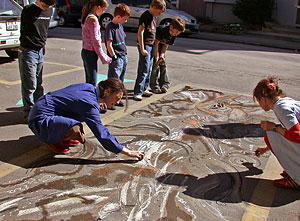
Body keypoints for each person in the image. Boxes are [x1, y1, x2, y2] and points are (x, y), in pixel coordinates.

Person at [28, 78, 145, 160]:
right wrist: (127, 152)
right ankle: (53, 140)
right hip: (39, 120)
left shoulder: (89, 88)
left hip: (42, 109)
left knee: (79, 120)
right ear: (108, 91)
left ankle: (60, 133)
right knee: (75, 129)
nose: (118, 102)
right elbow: (101, 133)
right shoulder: (90, 104)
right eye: (117, 98)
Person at [253, 77, 300, 190]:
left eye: (258, 101)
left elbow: (297, 135)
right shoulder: (287, 102)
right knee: (272, 136)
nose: (259, 104)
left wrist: (274, 127)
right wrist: (266, 149)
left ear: (264, 99)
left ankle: (297, 179)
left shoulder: (281, 107)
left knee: (271, 135)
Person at [18, 0, 56, 122]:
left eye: (48, 6)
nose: (46, 9)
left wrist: (43, 45)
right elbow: (24, 32)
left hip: (39, 50)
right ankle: (28, 111)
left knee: (39, 83)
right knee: (30, 83)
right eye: (44, 5)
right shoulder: (28, 10)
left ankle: (39, 109)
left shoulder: (49, 10)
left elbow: (43, 31)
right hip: (28, 50)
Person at [133, 0, 166, 101]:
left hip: (151, 44)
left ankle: (144, 88)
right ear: (154, 7)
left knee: (149, 67)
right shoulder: (146, 16)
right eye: (159, 12)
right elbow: (141, 31)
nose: (159, 14)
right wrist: (142, 47)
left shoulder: (153, 16)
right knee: (144, 67)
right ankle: (138, 91)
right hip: (146, 44)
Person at [104, 3, 131, 109]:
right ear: (118, 17)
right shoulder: (110, 28)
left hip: (123, 56)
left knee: (120, 81)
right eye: (124, 19)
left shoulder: (120, 26)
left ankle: (117, 99)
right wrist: (113, 55)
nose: (125, 21)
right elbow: (109, 44)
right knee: (114, 81)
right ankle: (110, 101)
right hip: (117, 57)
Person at [150, 17, 185, 94]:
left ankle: (164, 84)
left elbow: (165, 45)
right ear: (171, 27)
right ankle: (154, 85)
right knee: (155, 67)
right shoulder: (162, 30)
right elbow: (156, 43)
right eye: (176, 32)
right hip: (154, 47)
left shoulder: (173, 35)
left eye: (178, 33)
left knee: (163, 65)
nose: (176, 34)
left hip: (161, 49)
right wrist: (156, 56)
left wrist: (162, 55)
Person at [81, 0, 112, 87]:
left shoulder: (87, 16)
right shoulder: (92, 19)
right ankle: (90, 99)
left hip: (86, 51)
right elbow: (96, 41)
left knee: (90, 80)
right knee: (92, 82)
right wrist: (103, 57)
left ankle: (88, 98)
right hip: (90, 52)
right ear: (98, 7)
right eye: (103, 9)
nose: (103, 12)